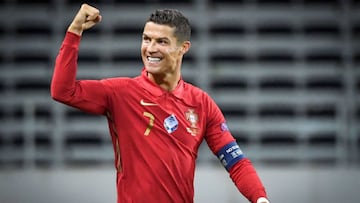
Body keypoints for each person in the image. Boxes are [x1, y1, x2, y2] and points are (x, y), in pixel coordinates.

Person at [51, 3, 270, 203]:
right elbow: (63, 91)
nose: (151, 48)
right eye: (147, 39)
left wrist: (260, 198)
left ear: (183, 48)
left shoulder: (201, 104)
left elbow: (236, 161)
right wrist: (75, 30)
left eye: (162, 41)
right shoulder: (120, 92)